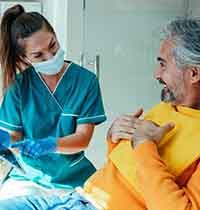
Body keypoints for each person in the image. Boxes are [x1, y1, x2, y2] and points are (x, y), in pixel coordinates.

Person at [1, 17, 200, 210]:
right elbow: (124, 169)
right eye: (38, 55)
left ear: (194, 74)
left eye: (163, 64)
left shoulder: (84, 80)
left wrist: (144, 145)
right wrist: (114, 138)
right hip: (79, 196)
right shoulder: (166, 107)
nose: (156, 74)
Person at [0, 4, 106, 199]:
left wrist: (50, 144)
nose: (51, 57)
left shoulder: (85, 81)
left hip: (74, 179)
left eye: (52, 45)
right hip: (28, 179)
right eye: (38, 55)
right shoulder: (19, 86)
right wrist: (5, 140)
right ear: (24, 58)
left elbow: (83, 138)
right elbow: (14, 137)